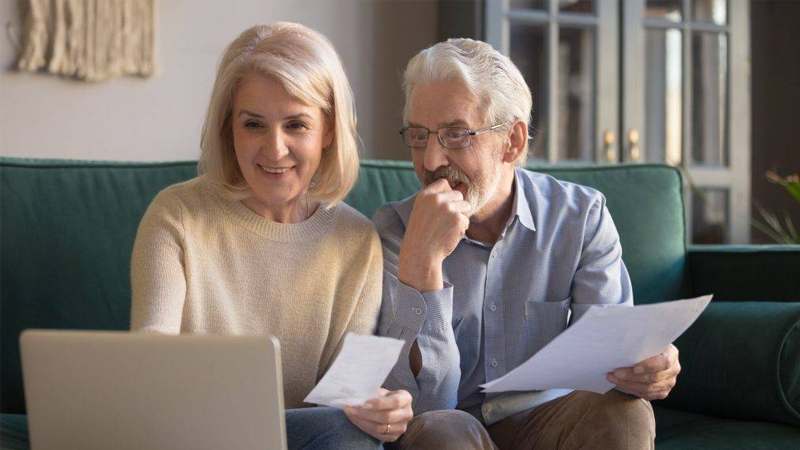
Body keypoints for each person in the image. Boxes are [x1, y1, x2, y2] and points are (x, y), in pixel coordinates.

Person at [374, 38, 681, 450]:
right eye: (418, 135)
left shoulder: (580, 217)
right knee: (442, 430)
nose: (431, 161)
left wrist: (646, 367)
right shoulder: (394, 231)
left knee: (625, 410)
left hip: (551, 421)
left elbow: (610, 365)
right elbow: (427, 407)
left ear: (513, 141)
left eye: (456, 134)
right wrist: (423, 264)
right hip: (453, 426)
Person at [130, 22, 412, 449]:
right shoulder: (177, 216)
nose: (275, 149)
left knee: (351, 432)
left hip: (307, 440)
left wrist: (379, 410)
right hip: (196, 437)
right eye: (254, 125)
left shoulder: (357, 241)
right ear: (229, 128)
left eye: (296, 125)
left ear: (328, 130)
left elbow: (342, 400)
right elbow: (150, 360)